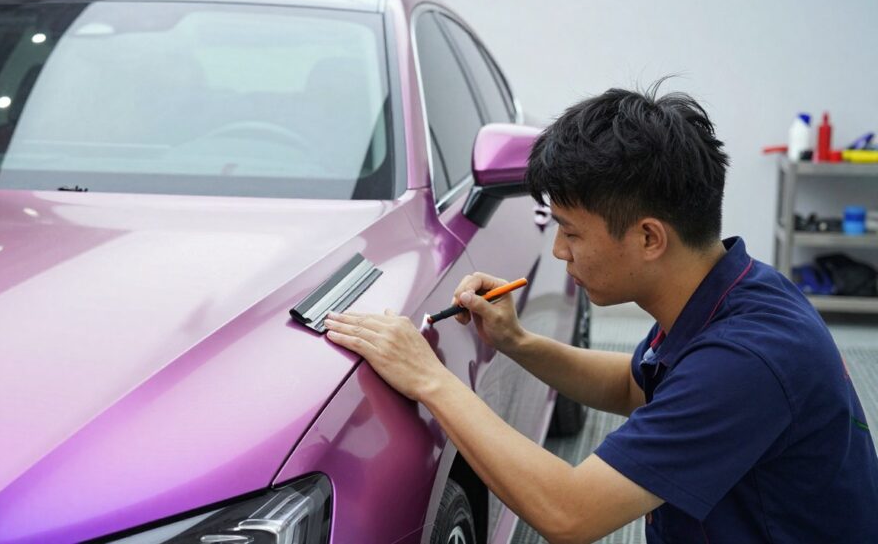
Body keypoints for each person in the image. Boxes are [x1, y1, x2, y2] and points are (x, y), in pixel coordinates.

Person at [323, 82, 878, 543]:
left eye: (571, 232)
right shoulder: (731, 289)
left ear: (649, 238)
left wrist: (429, 379)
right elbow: (636, 387)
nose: (558, 251)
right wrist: (517, 341)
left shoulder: (746, 359)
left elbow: (570, 513)